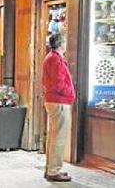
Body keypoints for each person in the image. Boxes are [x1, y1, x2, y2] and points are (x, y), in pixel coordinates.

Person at [42, 33, 75, 182]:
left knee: (54, 136)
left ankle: (50, 168)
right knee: (59, 137)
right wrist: (70, 93)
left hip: (53, 100)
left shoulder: (51, 57)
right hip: (59, 101)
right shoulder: (55, 59)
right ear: (61, 44)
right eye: (65, 42)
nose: (66, 44)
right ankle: (54, 171)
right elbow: (59, 82)